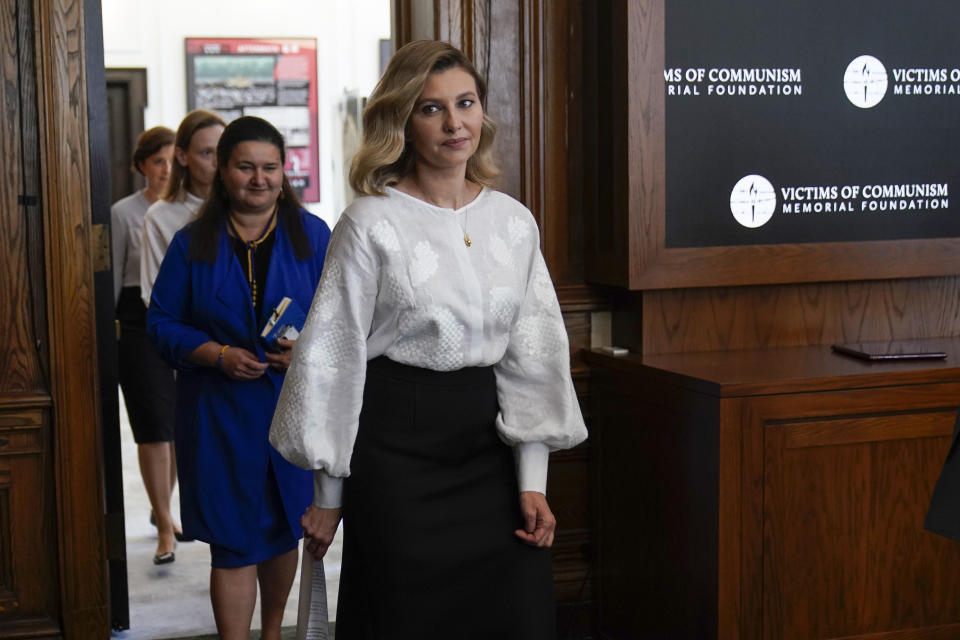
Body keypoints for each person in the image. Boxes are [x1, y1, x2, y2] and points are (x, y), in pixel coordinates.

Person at [270, 40, 588, 638]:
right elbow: (333, 358)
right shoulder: (369, 221)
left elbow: (534, 356)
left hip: (488, 447)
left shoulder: (514, 221)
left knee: (513, 617)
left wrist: (533, 482)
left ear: (481, 114)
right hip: (394, 453)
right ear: (402, 122)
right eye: (430, 108)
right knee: (402, 618)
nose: (453, 122)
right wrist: (328, 494)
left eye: (465, 103)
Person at [147, 116, 331, 640]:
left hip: (290, 410)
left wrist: (307, 351)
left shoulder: (313, 236)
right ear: (222, 171)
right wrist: (215, 353)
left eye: (271, 167)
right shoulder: (191, 242)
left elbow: (346, 319)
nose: (260, 179)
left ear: (284, 172)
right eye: (245, 167)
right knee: (232, 543)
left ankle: (271, 633)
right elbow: (161, 324)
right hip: (217, 413)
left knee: (282, 531)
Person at [111, 126, 186, 565]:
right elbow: (112, 273)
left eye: (171, 160)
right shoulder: (125, 212)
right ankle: (163, 524)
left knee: (174, 426)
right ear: (142, 165)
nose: (165, 169)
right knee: (154, 427)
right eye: (156, 161)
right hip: (136, 322)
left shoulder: (187, 210)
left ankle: (166, 512)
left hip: (180, 317)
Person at [140, 109, 226, 307]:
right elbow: (153, 292)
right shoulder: (160, 215)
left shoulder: (245, 208)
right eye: (207, 153)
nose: (217, 162)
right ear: (181, 156)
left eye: (222, 153)